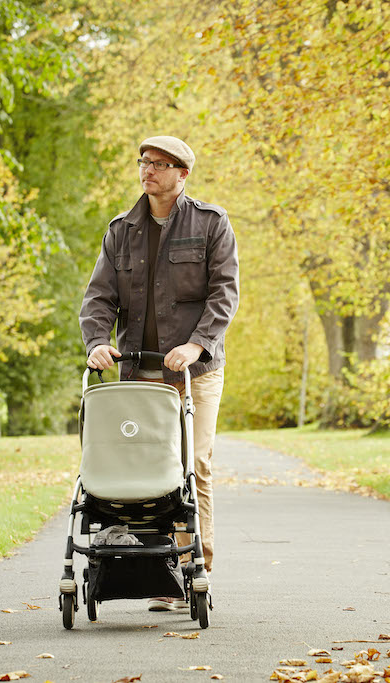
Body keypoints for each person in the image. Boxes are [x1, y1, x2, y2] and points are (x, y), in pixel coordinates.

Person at [79, 135, 238, 610]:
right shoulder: (121, 229)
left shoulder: (211, 223)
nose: (147, 171)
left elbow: (225, 292)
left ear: (182, 174)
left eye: (159, 164)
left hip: (196, 371)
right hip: (138, 367)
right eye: (143, 163)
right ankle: (156, 568)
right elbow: (99, 296)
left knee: (193, 465)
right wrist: (97, 342)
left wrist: (196, 344)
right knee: (145, 465)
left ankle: (197, 567)